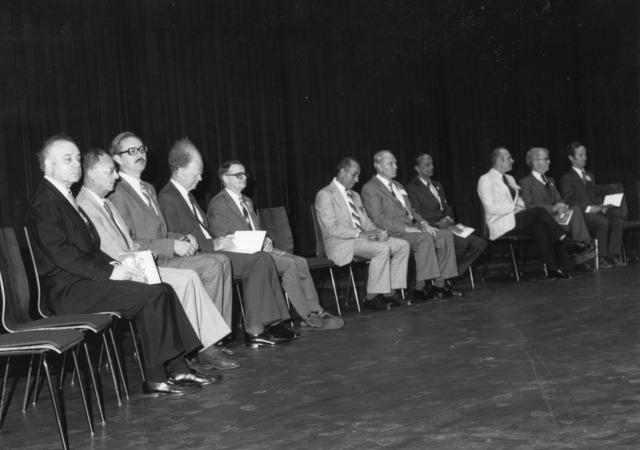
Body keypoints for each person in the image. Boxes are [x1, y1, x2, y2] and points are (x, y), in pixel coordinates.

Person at [27, 135, 215, 397]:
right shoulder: (45, 202)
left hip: (84, 281)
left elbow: (90, 250)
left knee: (162, 288)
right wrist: (110, 272)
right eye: (67, 159)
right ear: (48, 165)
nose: (76, 164)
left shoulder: (63, 197)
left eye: (78, 159)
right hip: (68, 291)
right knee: (150, 296)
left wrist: (115, 264)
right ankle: (156, 378)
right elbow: (63, 255)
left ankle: (179, 366)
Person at [107, 132, 295, 348]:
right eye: (132, 151)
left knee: (254, 258)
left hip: (181, 250)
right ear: (117, 159)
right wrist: (192, 243)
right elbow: (129, 242)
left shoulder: (149, 189)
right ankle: (222, 338)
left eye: (141, 149)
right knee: (238, 261)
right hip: (156, 260)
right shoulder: (131, 194)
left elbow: (169, 230)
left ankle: (226, 336)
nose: (139, 154)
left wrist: (187, 238)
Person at [77, 148, 239, 370]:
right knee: (187, 278)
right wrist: (149, 254)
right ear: (93, 173)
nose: (115, 176)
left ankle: (203, 347)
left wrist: (162, 246)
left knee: (191, 277)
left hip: (137, 261)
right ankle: (195, 352)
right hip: (123, 271)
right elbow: (114, 251)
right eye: (111, 171)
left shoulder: (106, 202)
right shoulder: (86, 204)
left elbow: (130, 241)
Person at [201, 155, 343, 330]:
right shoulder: (218, 204)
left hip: (260, 248)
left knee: (300, 261)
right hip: (244, 255)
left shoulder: (246, 201)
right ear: (225, 179)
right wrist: (255, 243)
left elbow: (256, 228)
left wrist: (265, 239)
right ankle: (307, 316)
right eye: (238, 175)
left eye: (244, 174)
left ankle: (316, 310)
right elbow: (223, 238)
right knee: (290, 265)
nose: (244, 178)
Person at [477, 147, 594, 279]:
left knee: (540, 225)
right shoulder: (485, 180)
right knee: (539, 211)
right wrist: (514, 207)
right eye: (509, 158)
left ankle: (552, 269)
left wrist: (518, 206)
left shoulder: (510, 179)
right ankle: (568, 242)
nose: (513, 160)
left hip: (514, 220)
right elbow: (490, 208)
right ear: (499, 160)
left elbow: (521, 202)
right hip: (500, 224)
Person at [361, 150, 462, 298]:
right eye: (391, 163)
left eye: (395, 162)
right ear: (378, 166)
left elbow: (411, 210)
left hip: (411, 227)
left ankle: (440, 285)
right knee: (424, 239)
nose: (396, 166)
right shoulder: (370, 188)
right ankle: (420, 288)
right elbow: (377, 219)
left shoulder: (398, 185)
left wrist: (423, 223)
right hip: (392, 231)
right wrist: (405, 228)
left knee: (445, 235)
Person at [315, 157, 411, 310]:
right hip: (340, 244)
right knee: (382, 249)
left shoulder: (355, 195)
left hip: (361, 241)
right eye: (354, 174)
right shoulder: (325, 195)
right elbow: (332, 228)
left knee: (403, 245)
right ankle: (370, 298)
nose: (357, 179)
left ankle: (390, 293)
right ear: (342, 172)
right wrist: (361, 235)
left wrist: (377, 232)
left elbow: (365, 222)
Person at [406, 153, 487, 278]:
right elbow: (417, 213)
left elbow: (447, 207)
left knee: (480, 244)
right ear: (417, 168)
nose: (431, 167)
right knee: (462, 244)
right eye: (427, 165)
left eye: (432, 164)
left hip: (448, 225)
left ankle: (448, 274)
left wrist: (448, 219)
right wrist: (439, 224)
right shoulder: (412, 187)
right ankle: (444, 276)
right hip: (433, 227)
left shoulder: (437, 185)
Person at [519, 147, 596, 272]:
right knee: (576, 220)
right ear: (535, 161)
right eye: (546, 159)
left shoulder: (550, 180)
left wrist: (561, 205)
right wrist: (552, 208)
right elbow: (529, 206)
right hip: (544, 221)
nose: (549, 162)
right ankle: (584, 258)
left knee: (575, 210)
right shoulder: (525, 182)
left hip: (558, 217)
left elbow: (559, 199)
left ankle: (581, 255)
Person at [560, 142, 626, 268]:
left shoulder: (590, 175)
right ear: (571, 158)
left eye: (585, 154)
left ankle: (613, 254)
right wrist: (590, 209)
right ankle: (600, 257)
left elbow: (595, 195)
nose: (584, 157)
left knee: (618, 221)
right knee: (603, 223)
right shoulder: (567, 178)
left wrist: (602, 206)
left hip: (597, 212)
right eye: (580, 155)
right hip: (582, 214)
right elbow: (568, 200)